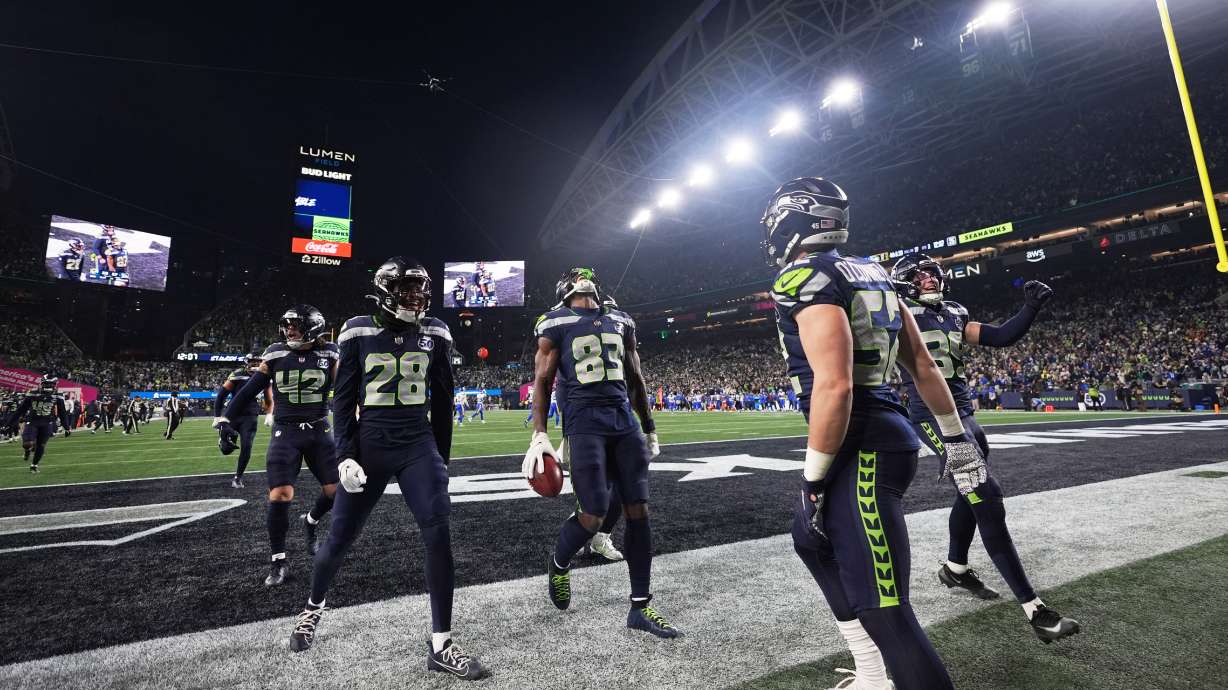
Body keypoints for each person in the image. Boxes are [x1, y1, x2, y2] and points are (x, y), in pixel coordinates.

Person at [762, 177, 973, 689]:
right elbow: (922, 365)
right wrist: (958, 441)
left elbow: (835, 387)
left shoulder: (802, 278)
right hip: (881, 434)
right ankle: (873, 672)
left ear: (795, 219)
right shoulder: (873, 272)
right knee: (809, 541)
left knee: (885, 609)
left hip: (861, 445)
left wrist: (813, 479)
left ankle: (884, 673)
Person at [289, 257, 484, 680]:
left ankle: (441, 644)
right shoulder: (358, 328)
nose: (417, 297)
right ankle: (312, 608)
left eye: (420, 289)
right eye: (408, 290)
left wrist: (442, 461)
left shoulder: (435, 331)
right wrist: (344, 456)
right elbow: (342, 399)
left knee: (438, 530)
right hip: (370, 444)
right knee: (340, 536)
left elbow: (444, 401)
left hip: (417, 443)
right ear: (385, 291)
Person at [892, 252, 1080, 644]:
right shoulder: (895, 312)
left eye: (934, 273)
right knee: (988, 499)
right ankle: (1034, 609)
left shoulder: (954, 312)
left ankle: (955, 569)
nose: (931, 278)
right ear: (906, 280)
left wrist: (1029, 308)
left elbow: (998, 336)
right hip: (931, 417)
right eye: (922, 274)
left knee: (971, 496)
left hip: (966, 414)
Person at [523, 267, 677, 638]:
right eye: (577, 275)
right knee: (593, 513)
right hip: (584, 424)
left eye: (589, 274)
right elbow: (543, 381)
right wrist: (539, 434)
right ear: (564, 288)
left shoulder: (620, 319)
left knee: (638, 509)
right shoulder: (554, 322)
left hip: (624, 423)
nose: (585, 278)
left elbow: (636, 378)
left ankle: (640, 606)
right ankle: (560, 563)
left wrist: (650, 426)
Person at [218, 305, 339, 586]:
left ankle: (310, 521)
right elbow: (249, 391)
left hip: (320, 431)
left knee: (336, 493)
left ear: (312, 326)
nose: (289, 330)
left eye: (295, 325)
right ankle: (278, 561)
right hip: (286, 433)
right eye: (287, 325)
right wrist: (225, 421)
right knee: (280, 495)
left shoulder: (330, 352)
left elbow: (345, 388)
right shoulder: (275, 352)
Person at [214, 352, 271, 488]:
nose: (256, 364)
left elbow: (269, 397)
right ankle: (223, 440)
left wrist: (269, 413)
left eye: (258, 362)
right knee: (226, 450)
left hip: (250, 416)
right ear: (247, 362)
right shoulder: (238, 373)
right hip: (232, 415)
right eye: (253, 361)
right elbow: (222, 394)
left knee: (247, 446)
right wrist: (217, 416)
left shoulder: (265, 376)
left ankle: (238, 477)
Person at [3, 374, 71, 473]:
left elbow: (62, 412)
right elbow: (21, 409)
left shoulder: (58, 395)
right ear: (42, 384)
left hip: (46, 422)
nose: (48, 386)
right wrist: (9, 424)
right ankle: (27, 450)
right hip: (32, 421)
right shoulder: (33, 393)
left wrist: (67, 427)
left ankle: (34, 465)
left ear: (54, 384)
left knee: (41, 445)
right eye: (46, 384)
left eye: (50, 384)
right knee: (27, 443)